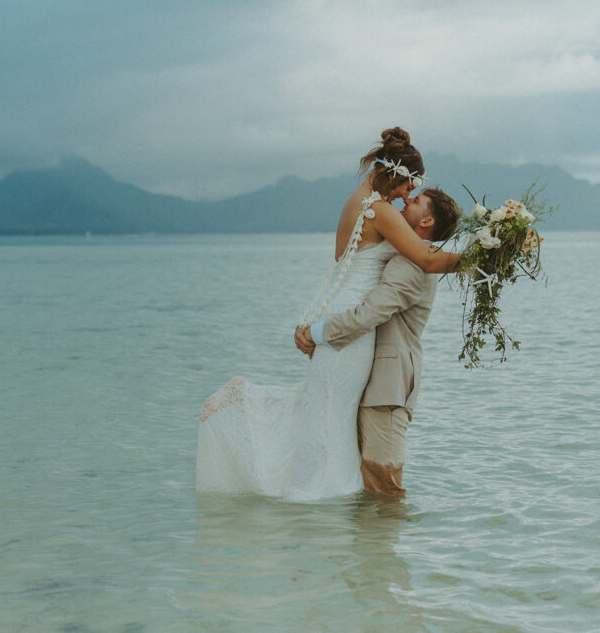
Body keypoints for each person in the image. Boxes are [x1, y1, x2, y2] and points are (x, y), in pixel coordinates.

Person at [197, 128, 460, 501]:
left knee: (326, 408)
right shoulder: (380, 211)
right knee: (330, 415)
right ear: (395, 173)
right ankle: (313, 487)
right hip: (352, 324)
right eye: (407, 187)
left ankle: (325, 502)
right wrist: (486, 259)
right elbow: (427, 258)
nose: (406, 196)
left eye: (412, 193)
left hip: (341, 310)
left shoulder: (357, 201)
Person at [294, 187, 460, 497]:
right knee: (363, 484)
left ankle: (383, 544)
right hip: (368, 382)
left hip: (388, 389)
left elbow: (369, 314)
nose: (407, 200)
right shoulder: (399, 252)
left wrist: (317, 333)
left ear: (426, 223)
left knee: (383, 487)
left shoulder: (413, 265)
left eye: (417, 201)